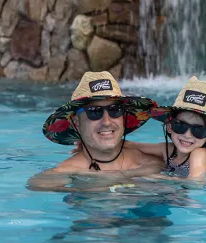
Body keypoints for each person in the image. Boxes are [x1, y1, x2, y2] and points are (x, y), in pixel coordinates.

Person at [27, 71, 163, 191]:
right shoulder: (71, 170)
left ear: (124, 116)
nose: (107, 121)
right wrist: (84, 190)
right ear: (77, 123)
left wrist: (119, 176)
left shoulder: (151, 162)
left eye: (114, 110)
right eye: (94, 112)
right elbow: (36, 184)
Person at [127, 76, 206, 180]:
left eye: (198, 130)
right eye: (180, 126)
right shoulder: (169, 151)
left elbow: (195, 184)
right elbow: (132, 146)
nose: (187, 135)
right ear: (169, 126)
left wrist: (154, 177)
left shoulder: (199, 154)